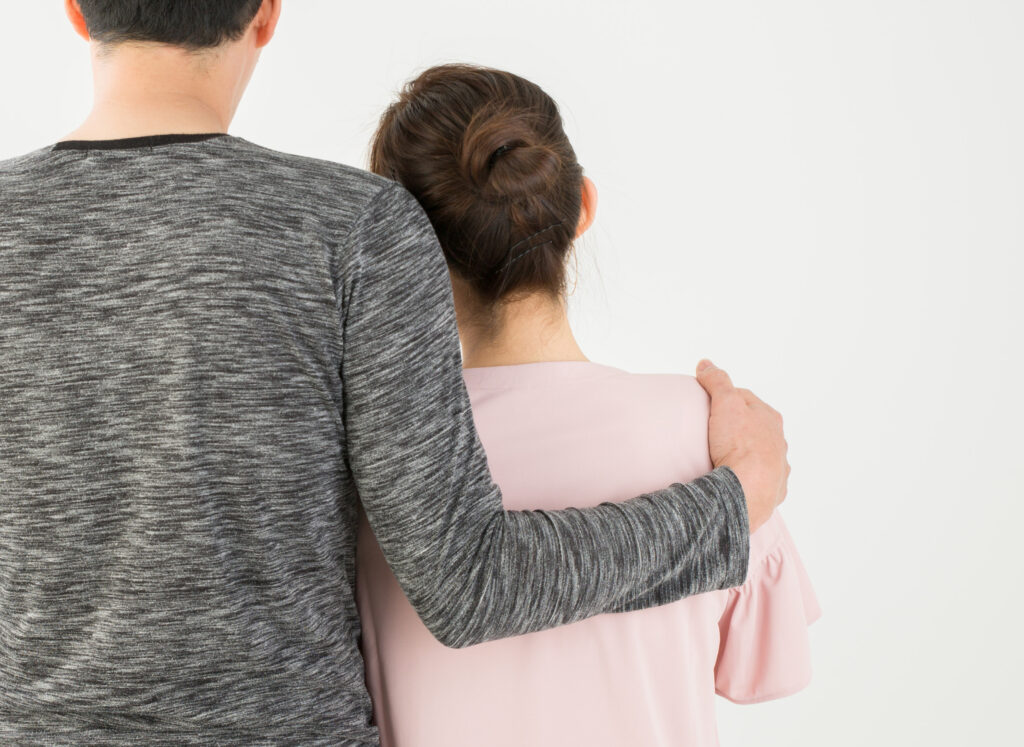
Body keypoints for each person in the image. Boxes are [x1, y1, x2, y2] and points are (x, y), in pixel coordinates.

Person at [0, 2, 791, 745]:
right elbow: (469, 584)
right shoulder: (354, 226)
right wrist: (733, 505)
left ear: (74, 10)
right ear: (266, 14)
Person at [356, 64, 820, 747]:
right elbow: (765, 670)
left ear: (404, 252)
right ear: (582, 206)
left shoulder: (360, 460)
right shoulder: (716, 437)